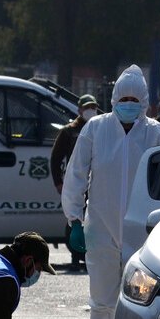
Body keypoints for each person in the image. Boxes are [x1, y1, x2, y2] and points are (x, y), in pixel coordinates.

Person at [61, 64, 160, 319]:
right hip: (100, 228)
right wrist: (73, 221)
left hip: (142, 231)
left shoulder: (156, 132)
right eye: (125, 98)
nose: (129, 104)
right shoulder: (96, 128)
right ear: (113, 98)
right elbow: (76, 175)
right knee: (102, 301)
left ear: (146, 101)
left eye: (136, 99)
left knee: (142, 301)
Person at [51, 94, 97, 270]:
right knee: (74, 219)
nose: (90, 111)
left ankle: (88, 256)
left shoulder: (101, 128)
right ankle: (75, 256)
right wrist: (59, 182)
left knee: (93, 221)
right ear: (79, 110)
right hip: (76, 182)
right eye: (86, 108)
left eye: (92, 107)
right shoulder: (69, 131)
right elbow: (56, 158)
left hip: (97, 183)